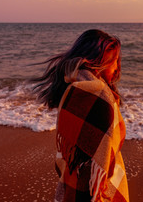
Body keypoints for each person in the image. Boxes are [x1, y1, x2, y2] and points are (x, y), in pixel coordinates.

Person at [32, 29, 129, 201]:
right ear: (100, 59)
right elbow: (104, 156)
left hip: (73, 178)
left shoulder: (73, 87)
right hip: (94, 187)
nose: (117, 68)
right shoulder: (97, 93)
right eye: (115, 61)